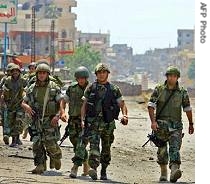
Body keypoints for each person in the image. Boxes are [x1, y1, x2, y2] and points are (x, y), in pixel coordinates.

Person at [80, 63, 128, 180]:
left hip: (108, 124)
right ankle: (94, 169)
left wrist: (124, 115)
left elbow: (122, 104)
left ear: (107, 74)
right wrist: (82, 120)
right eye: (99, 73)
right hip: (93, 124)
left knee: (106, 148)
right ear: (96, 75)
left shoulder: (114, 89)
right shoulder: (91, 88)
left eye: (104, 72)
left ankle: (104, 170)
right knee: (94, 147)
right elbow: (84, 105)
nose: (101, 75)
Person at [147, 66, 194, 183]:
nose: (171, 78)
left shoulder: (182, 92)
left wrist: (191, 123)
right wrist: (153, 122)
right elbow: (151, 106)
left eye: (174, 76)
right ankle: (163, 172)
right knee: (162, 150)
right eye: (169, 76)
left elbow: (187, 108)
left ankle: (174, 171)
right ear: (166, 77)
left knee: (175, 149)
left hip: (176, 127)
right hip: (161, 126)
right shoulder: (159, 89)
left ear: (177, 77)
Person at [21, 63, 64, 174]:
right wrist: (26, 107)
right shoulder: (32, 87)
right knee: (37, 143)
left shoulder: (53, 87)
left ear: (47, 74)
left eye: (44, 73)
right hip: (36, 120)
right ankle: (40, 165)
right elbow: (23, 102)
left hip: (50, 120)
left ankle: (56, 157)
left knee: (50, 143)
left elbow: (61, 103)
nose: (41, 75)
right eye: (39, 73)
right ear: (36, 74)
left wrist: (58, 115)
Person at [60, 66, 90, 178]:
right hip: (73, 120)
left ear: (86, 78)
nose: (81, 80)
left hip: (87, 121)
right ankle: (86, 165)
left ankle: (75, 167)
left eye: (83, 78)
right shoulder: (72, 88)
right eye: (79, 78)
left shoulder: (92, 88)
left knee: (81, 144)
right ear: (76, 78)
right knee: (75, 143)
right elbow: (63, 101)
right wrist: (62, 112)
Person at [2, 64, 27, 147]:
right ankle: (15, 139)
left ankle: (15, 140)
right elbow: (4, 91)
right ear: (11, 72)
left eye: (17, 71)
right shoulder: (8, 80)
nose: (15, 72)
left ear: (19, 72)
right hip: (11, 105)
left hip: (20, 105)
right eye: (13, 71)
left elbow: (28, 90)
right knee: (12, 122)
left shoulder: (23, 80)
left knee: (18, 122)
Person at [0, 63, 16, 145]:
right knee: (5, 120)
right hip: (5, 103)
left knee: (14, 121)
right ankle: (6, 135)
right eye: (10, 71)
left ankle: (14, 138)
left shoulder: (17, 79)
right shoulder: (5, 80)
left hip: (14, 104)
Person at [22, 62, 37, 139]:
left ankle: (33, 134)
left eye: (33, 68)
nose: (32, 69)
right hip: (28, 98)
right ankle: (26, 131)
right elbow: (24, 86)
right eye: (31, 68)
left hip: (36, 98)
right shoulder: (26, 77)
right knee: (27, 116)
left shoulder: (38, 76)